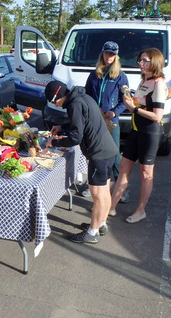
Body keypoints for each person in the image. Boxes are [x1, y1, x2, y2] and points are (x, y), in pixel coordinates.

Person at [44, 80, 119, 244]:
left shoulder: (74, 104)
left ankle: (92, 232)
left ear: (59, 96)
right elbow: (81, 123)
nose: (56, 105)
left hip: (98, 154)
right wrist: (61, 127)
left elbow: (76, 138)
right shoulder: (82, 97)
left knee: (97, 195)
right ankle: (101, 223)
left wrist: (53, 143)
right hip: (108, 150)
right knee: (104, 191)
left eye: (54, 101)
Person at [109, 48, 167, 224]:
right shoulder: (144, 80)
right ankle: (110, 206)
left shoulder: (158, 83)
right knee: (124, 170)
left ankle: (141, 210)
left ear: (154, 62)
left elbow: (157, 116)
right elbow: (139, 105)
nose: (141, 64)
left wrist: (134, 108)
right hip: (136, 130)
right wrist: (129, 97)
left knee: (145, 173)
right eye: (140, 60)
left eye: (145, 60)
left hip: (150, 132)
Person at [85, 41, 130, 201]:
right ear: (102, 54)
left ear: (116, 56)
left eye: (112, 54)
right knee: (93, 152)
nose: (109, 56)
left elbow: (126, 99)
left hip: (111, 122)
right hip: (95, 121)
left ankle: (121, 189)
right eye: (106, 53)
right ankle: (91, 184)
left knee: (115, 154)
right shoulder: (94, 74)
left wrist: (115, 111)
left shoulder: (121, 76)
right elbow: (87, 95)